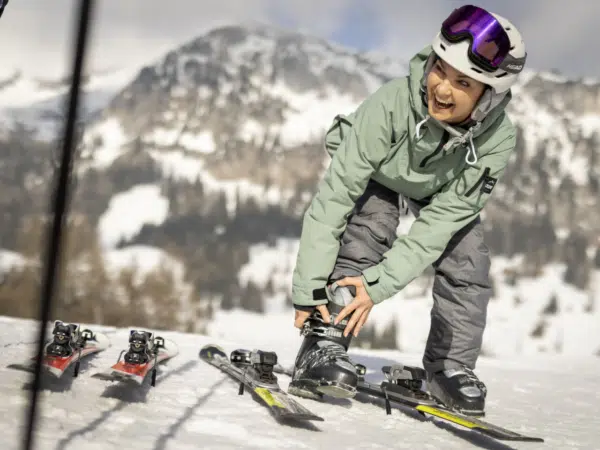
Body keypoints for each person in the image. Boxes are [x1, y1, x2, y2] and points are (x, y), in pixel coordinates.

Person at [288, 4, 527, 417]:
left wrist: (379, 285)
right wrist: (308, 290)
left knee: (468, 260)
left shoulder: (498, 140)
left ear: (489, 97)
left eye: (463, 83)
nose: (442, 89)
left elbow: (438, 226)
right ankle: (323, 341)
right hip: (378, 171)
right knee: (370, 227)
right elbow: (335, 200)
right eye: (440, 70)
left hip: (437, 187)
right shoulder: (393, 103)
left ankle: (449, 369)